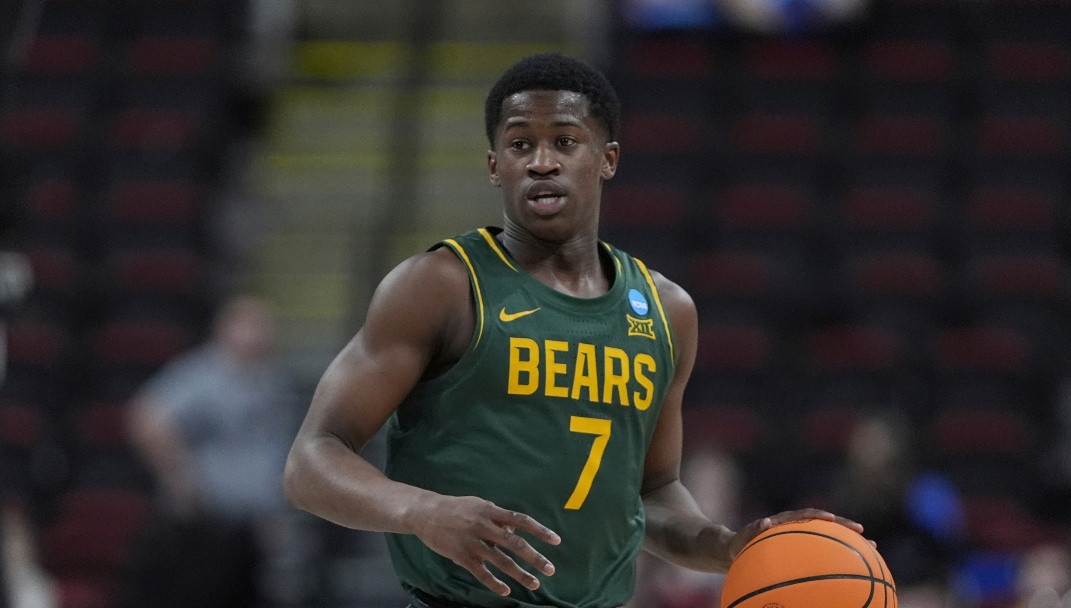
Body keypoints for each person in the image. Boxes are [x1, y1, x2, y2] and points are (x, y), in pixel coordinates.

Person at [283, 52, 864, 608]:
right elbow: (311, 461)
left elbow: (653, 493)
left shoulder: (666, 310)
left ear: (607, 158)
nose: (541, 161)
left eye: (564, 141)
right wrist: (421, 511)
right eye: (519, 144)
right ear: (494, 166)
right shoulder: (441, 286)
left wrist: (724, 546)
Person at [119, 295, 299, 608]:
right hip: (208, 529)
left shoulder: (271, 380)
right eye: (249, 325)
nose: (258, 334)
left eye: (263, 326)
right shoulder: (203, 374)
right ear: (225, 328)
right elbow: (147, 417)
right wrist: (180, 477)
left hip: (254, 529)